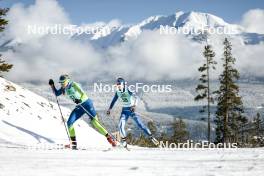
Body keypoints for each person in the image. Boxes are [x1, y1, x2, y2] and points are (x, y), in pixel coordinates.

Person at [49, 74, 116, 149]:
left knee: (95, 122)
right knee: (69, 123)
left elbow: (82, 92)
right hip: (79, 107)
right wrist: (52, 86)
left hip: (87, 104)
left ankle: (110, 138)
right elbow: (56, 94)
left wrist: (80, 99)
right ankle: (74, 144)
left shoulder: (74, 85)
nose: (62, 84)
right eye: (61, 83)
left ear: (67, 81)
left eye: (63, 83)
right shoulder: (63, 88)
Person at [106, 78, 159, 147]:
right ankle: (124, 143)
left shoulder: (128, 90)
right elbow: (113, 101)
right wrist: (109, 109)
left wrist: (134, 106)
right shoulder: (117, 92)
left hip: (131, 110)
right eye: (117, 84)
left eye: (119, 84)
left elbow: (136, 97)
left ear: (123, 84)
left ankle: (152, 137)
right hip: (124, 111)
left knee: (140, 124)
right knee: (120, 126)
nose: (118, 85)